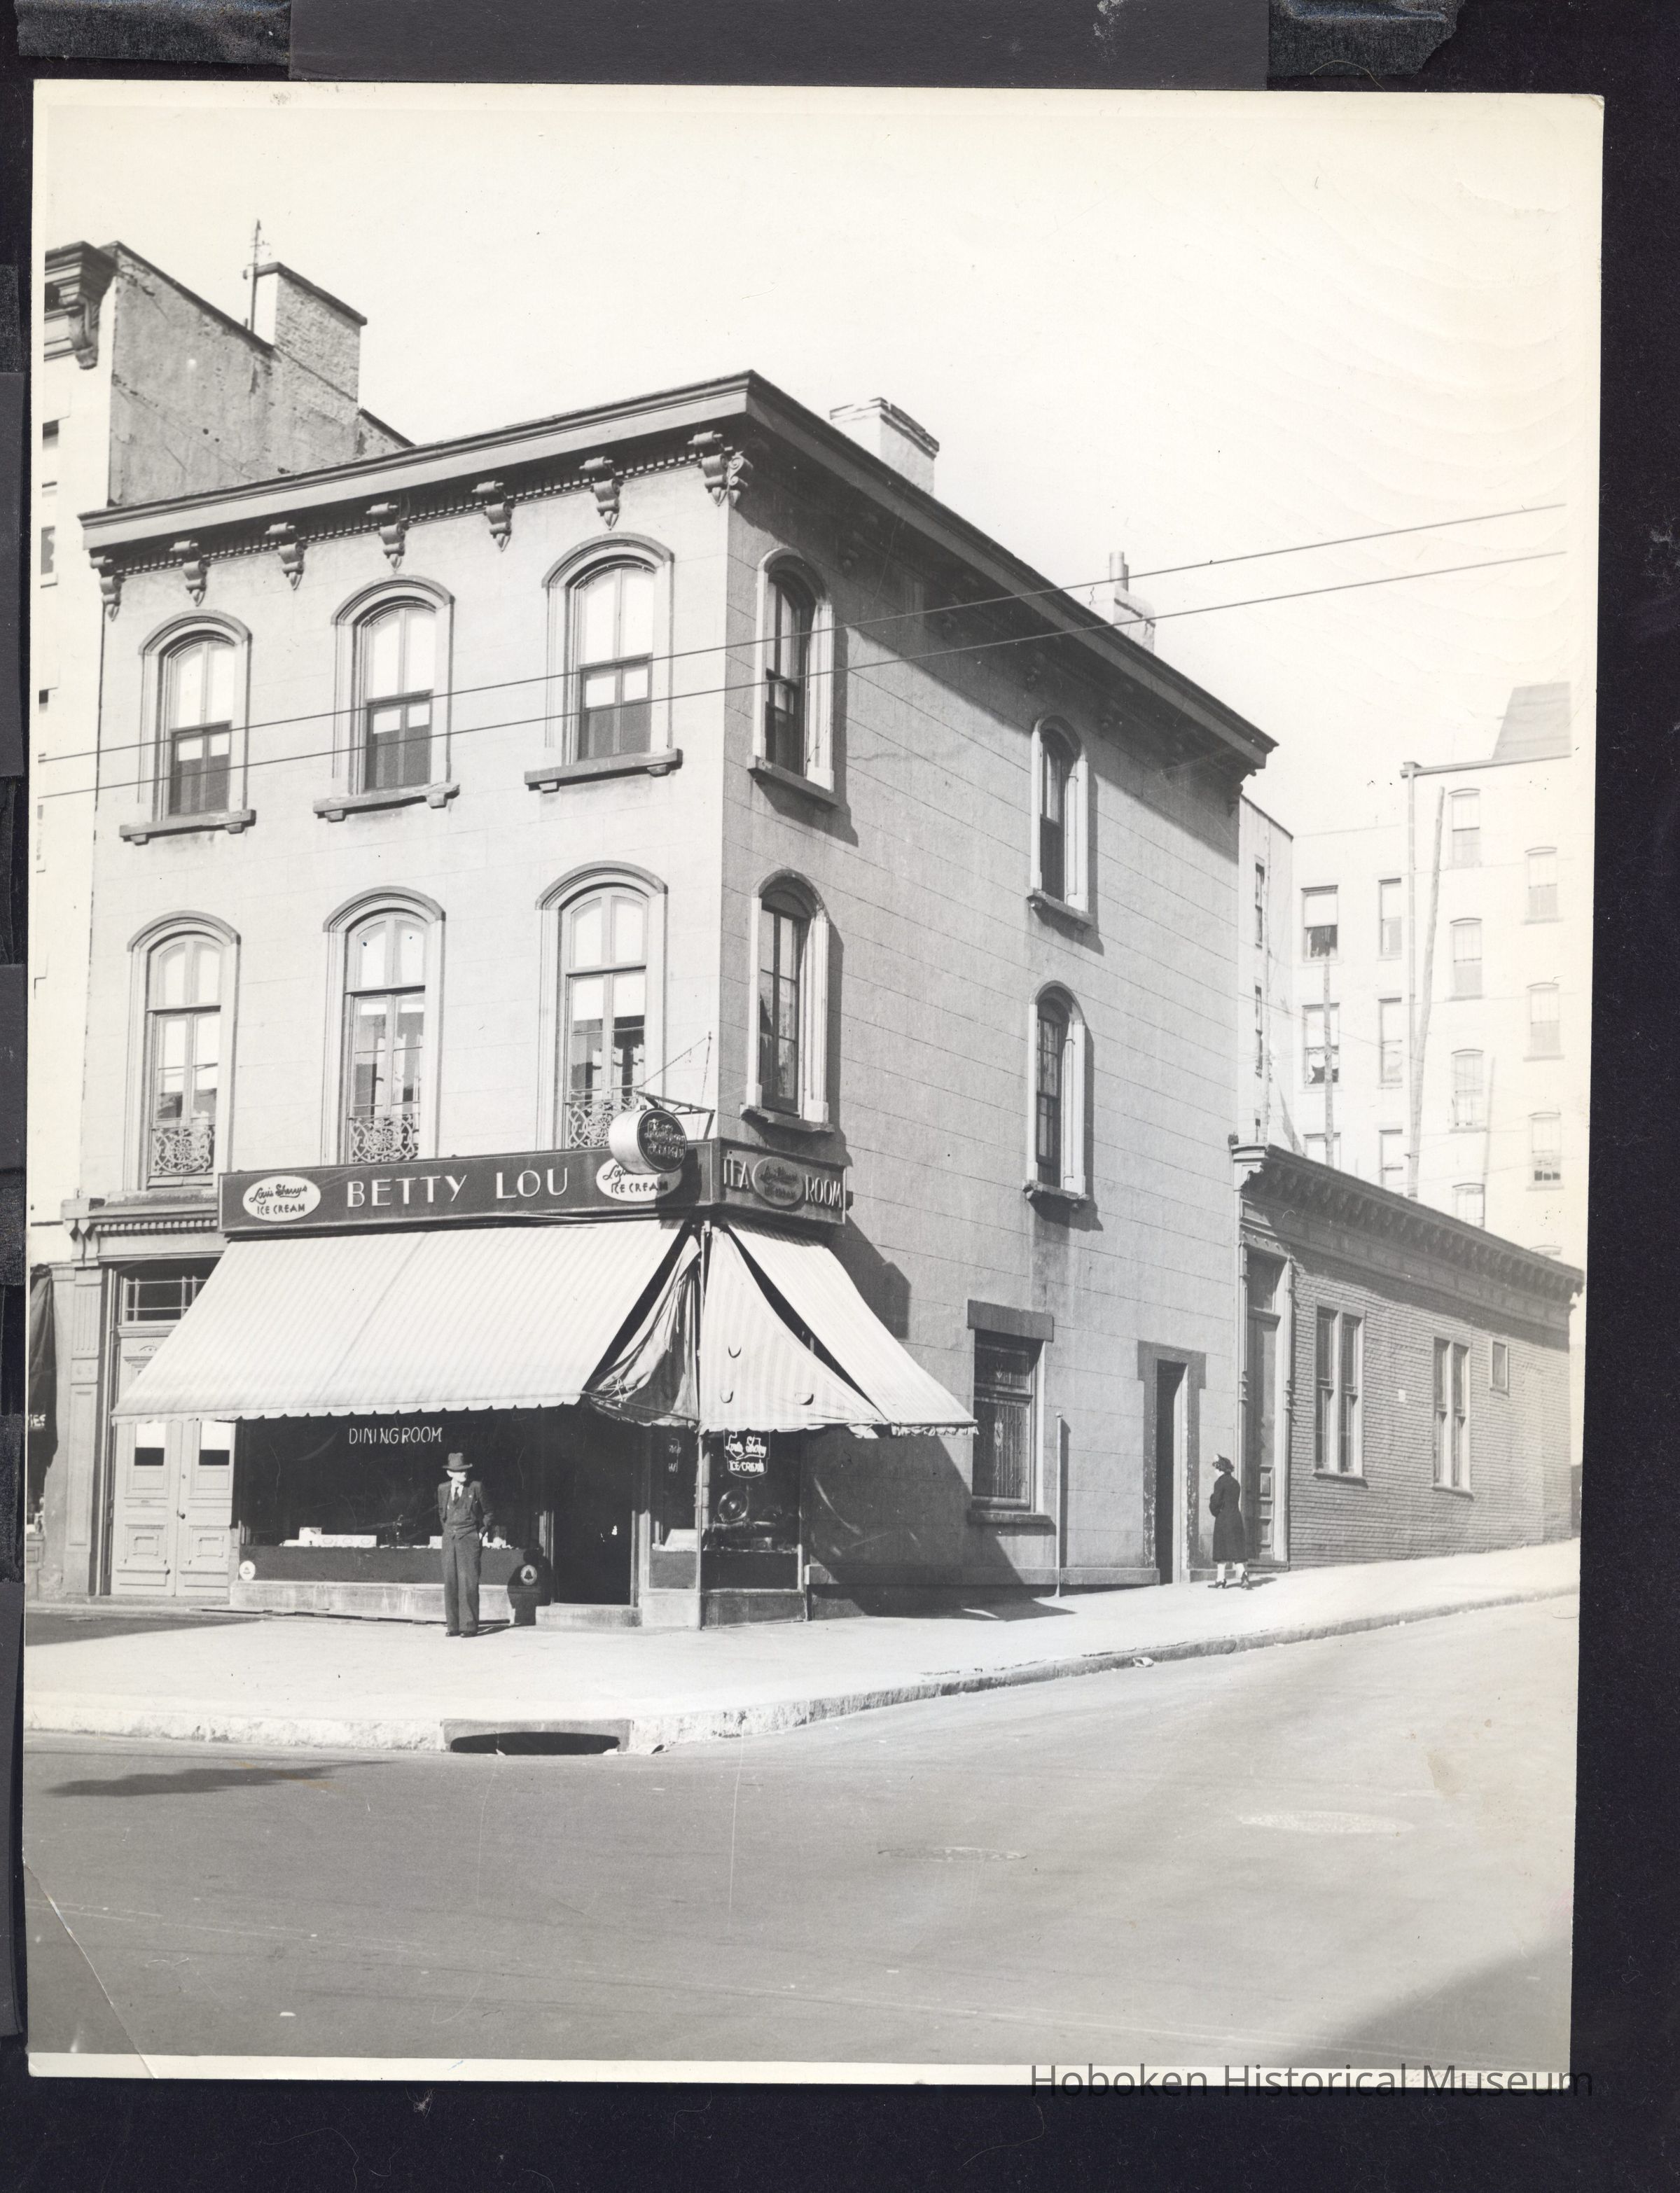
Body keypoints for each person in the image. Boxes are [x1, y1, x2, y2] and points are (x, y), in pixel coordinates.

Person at [438, 1451, 494, 1637]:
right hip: (449, 1541)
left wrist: (480, 1534)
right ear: (450, 1473)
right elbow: (442, 1514)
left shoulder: (476, 1488)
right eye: (459, 1471)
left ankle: (469, 1627)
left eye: (465, 1470)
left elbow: (489, 1513)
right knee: (451, 1583)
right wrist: (448, 1533)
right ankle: (453, 1626)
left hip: (469, 1539)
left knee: (468, 1583)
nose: (464, 1474)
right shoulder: (443, 1489)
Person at [1209, 1454, 1251, 1589]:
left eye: (1216, 1468)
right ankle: (1243, 1574)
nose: (1215, 1471)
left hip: (1224, 1520)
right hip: (1236, 1518)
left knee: (1221, 1549)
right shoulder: (1235, 1483)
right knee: (1236, 1549)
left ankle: (1221, 1579)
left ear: (1220, 1468)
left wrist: (1213, 1505)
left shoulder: (1220, 1483)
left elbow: (1216, 1504)